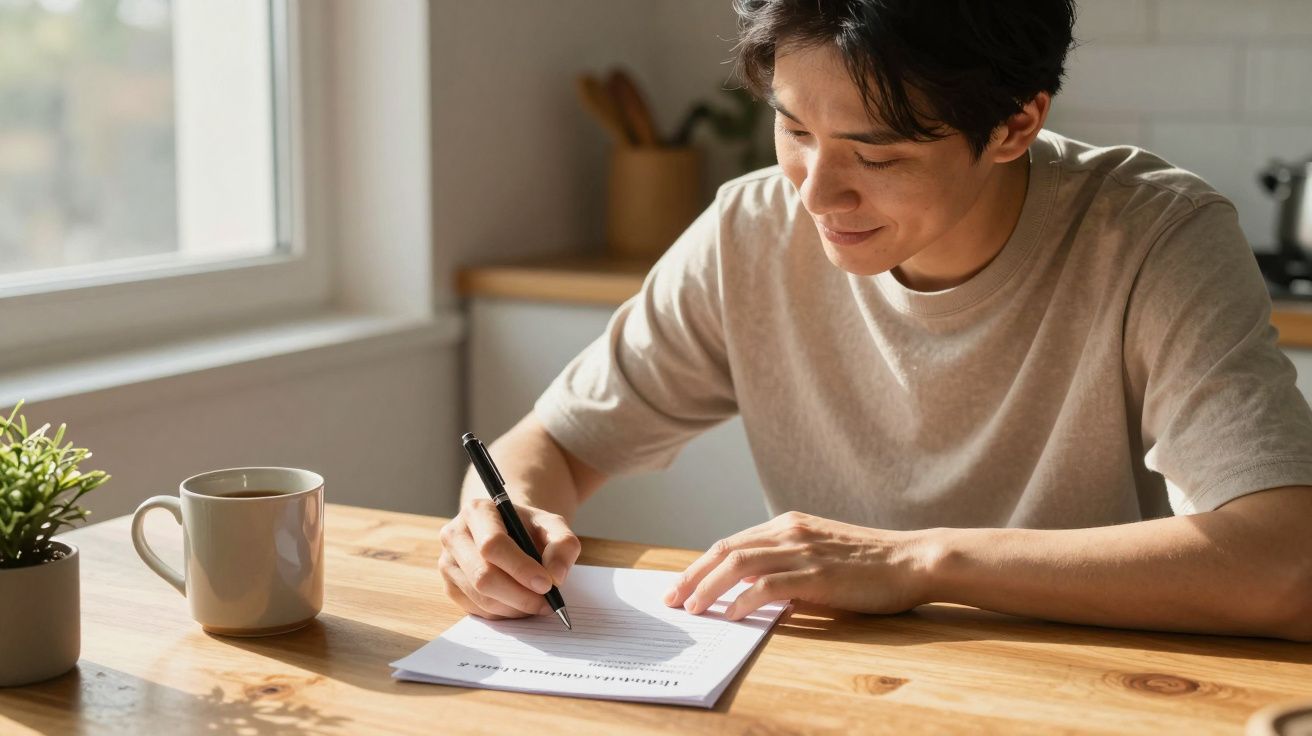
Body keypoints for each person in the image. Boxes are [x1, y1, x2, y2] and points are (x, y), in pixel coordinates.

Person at [438, 0, 1312, 640]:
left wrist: (917, 562)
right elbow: (549, 445)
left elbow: (1287, 564)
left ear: (1016, 126)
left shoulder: (1154, 238)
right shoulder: (750, 229)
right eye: (793, 130)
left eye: (877, 154)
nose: (816, 193)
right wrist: (499, 525)